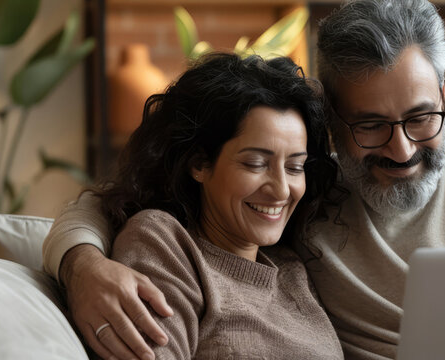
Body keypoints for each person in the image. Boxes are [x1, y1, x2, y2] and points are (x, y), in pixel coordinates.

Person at [43, 1, 445, 359]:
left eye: (420, 118)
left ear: (443, 91)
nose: (401, 147)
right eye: (370, 125)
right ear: (330, 115)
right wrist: (81, 264)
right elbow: (121, 206)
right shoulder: (310, 193)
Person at [60, 52, 343, 359]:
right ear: (199, 164)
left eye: (295, 167)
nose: (281, 190)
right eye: (256, 163)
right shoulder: (165, 243)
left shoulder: (291, 268)